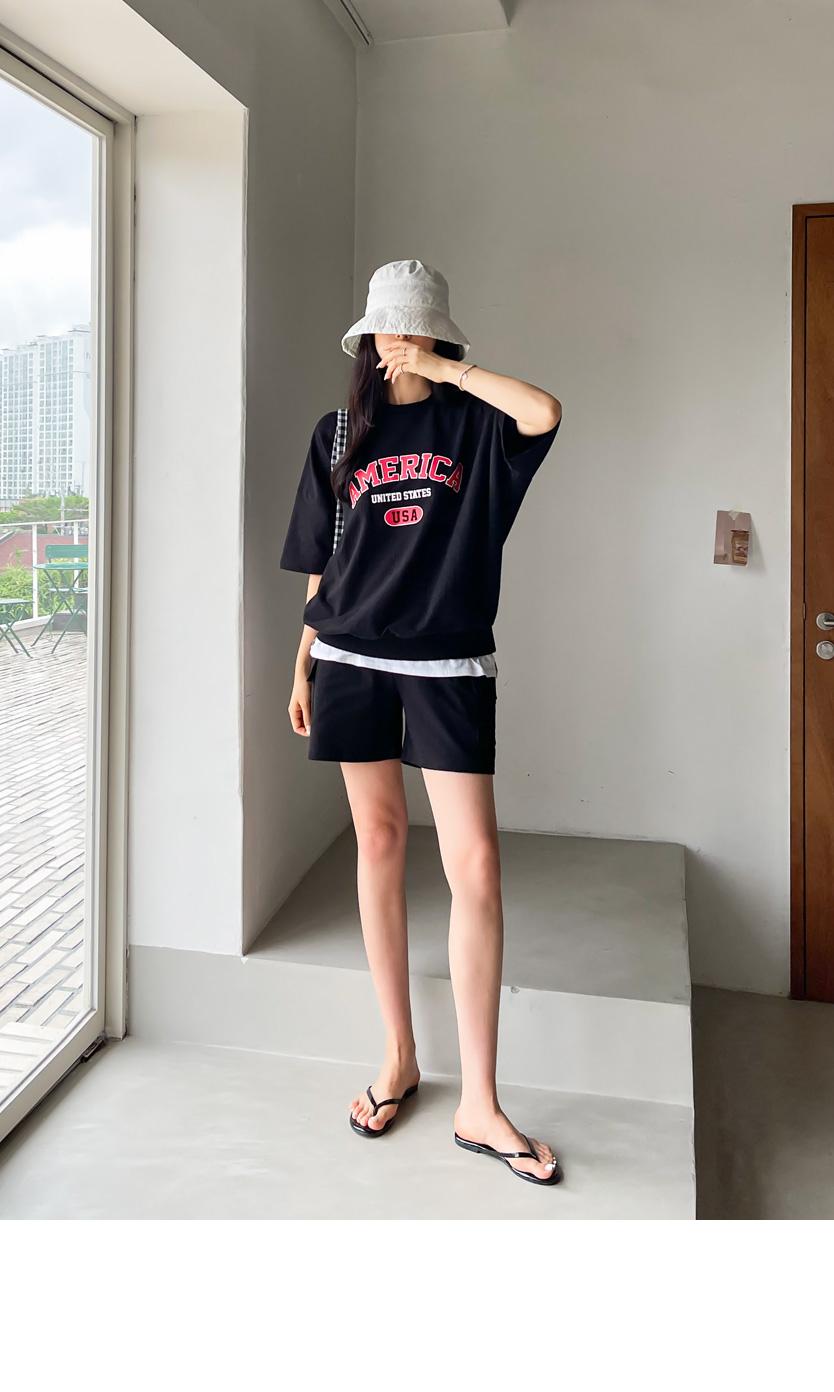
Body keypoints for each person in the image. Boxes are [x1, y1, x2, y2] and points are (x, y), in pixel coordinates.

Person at [280, 259, 563, 1186]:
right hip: (348, 657)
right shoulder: (337, 435)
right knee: (379, 842)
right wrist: (303, 658)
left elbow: (545, 412)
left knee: (474, 865)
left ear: (437, 332)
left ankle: (479, 1101)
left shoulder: (477, 423)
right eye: (384, 329)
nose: (394, 342)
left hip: (447, 661)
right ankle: (399, 1054)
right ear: (365, 337)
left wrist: (447, 371)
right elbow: (325, 560)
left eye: (413, 328)